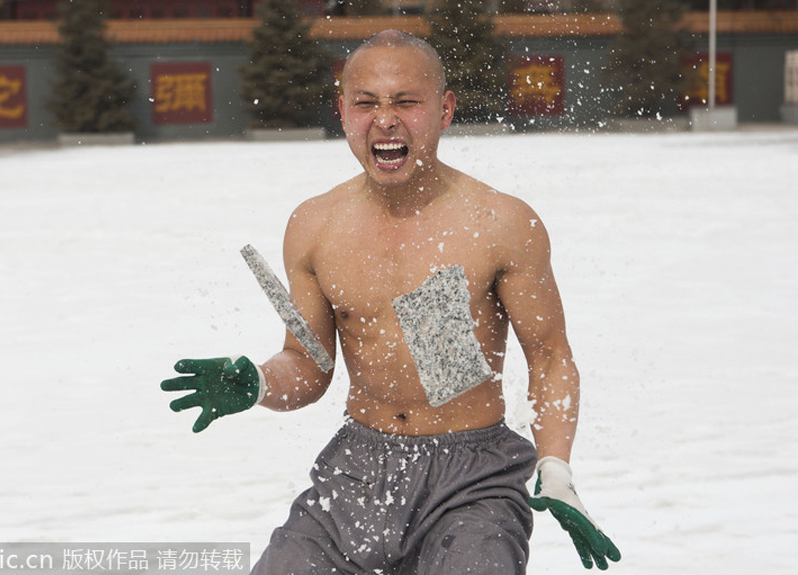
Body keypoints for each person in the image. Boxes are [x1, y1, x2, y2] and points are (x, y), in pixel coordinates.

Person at [161, 30, 620, 574]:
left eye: (406, 102)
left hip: (471, 480)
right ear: (342, 111)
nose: (385, 120)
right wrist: (258, 381)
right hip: (355, 472)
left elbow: (549, 356)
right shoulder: (314, 226)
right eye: (366, 103)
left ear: (444, 110)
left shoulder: (499, 223)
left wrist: (557, 468)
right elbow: (309, 364)